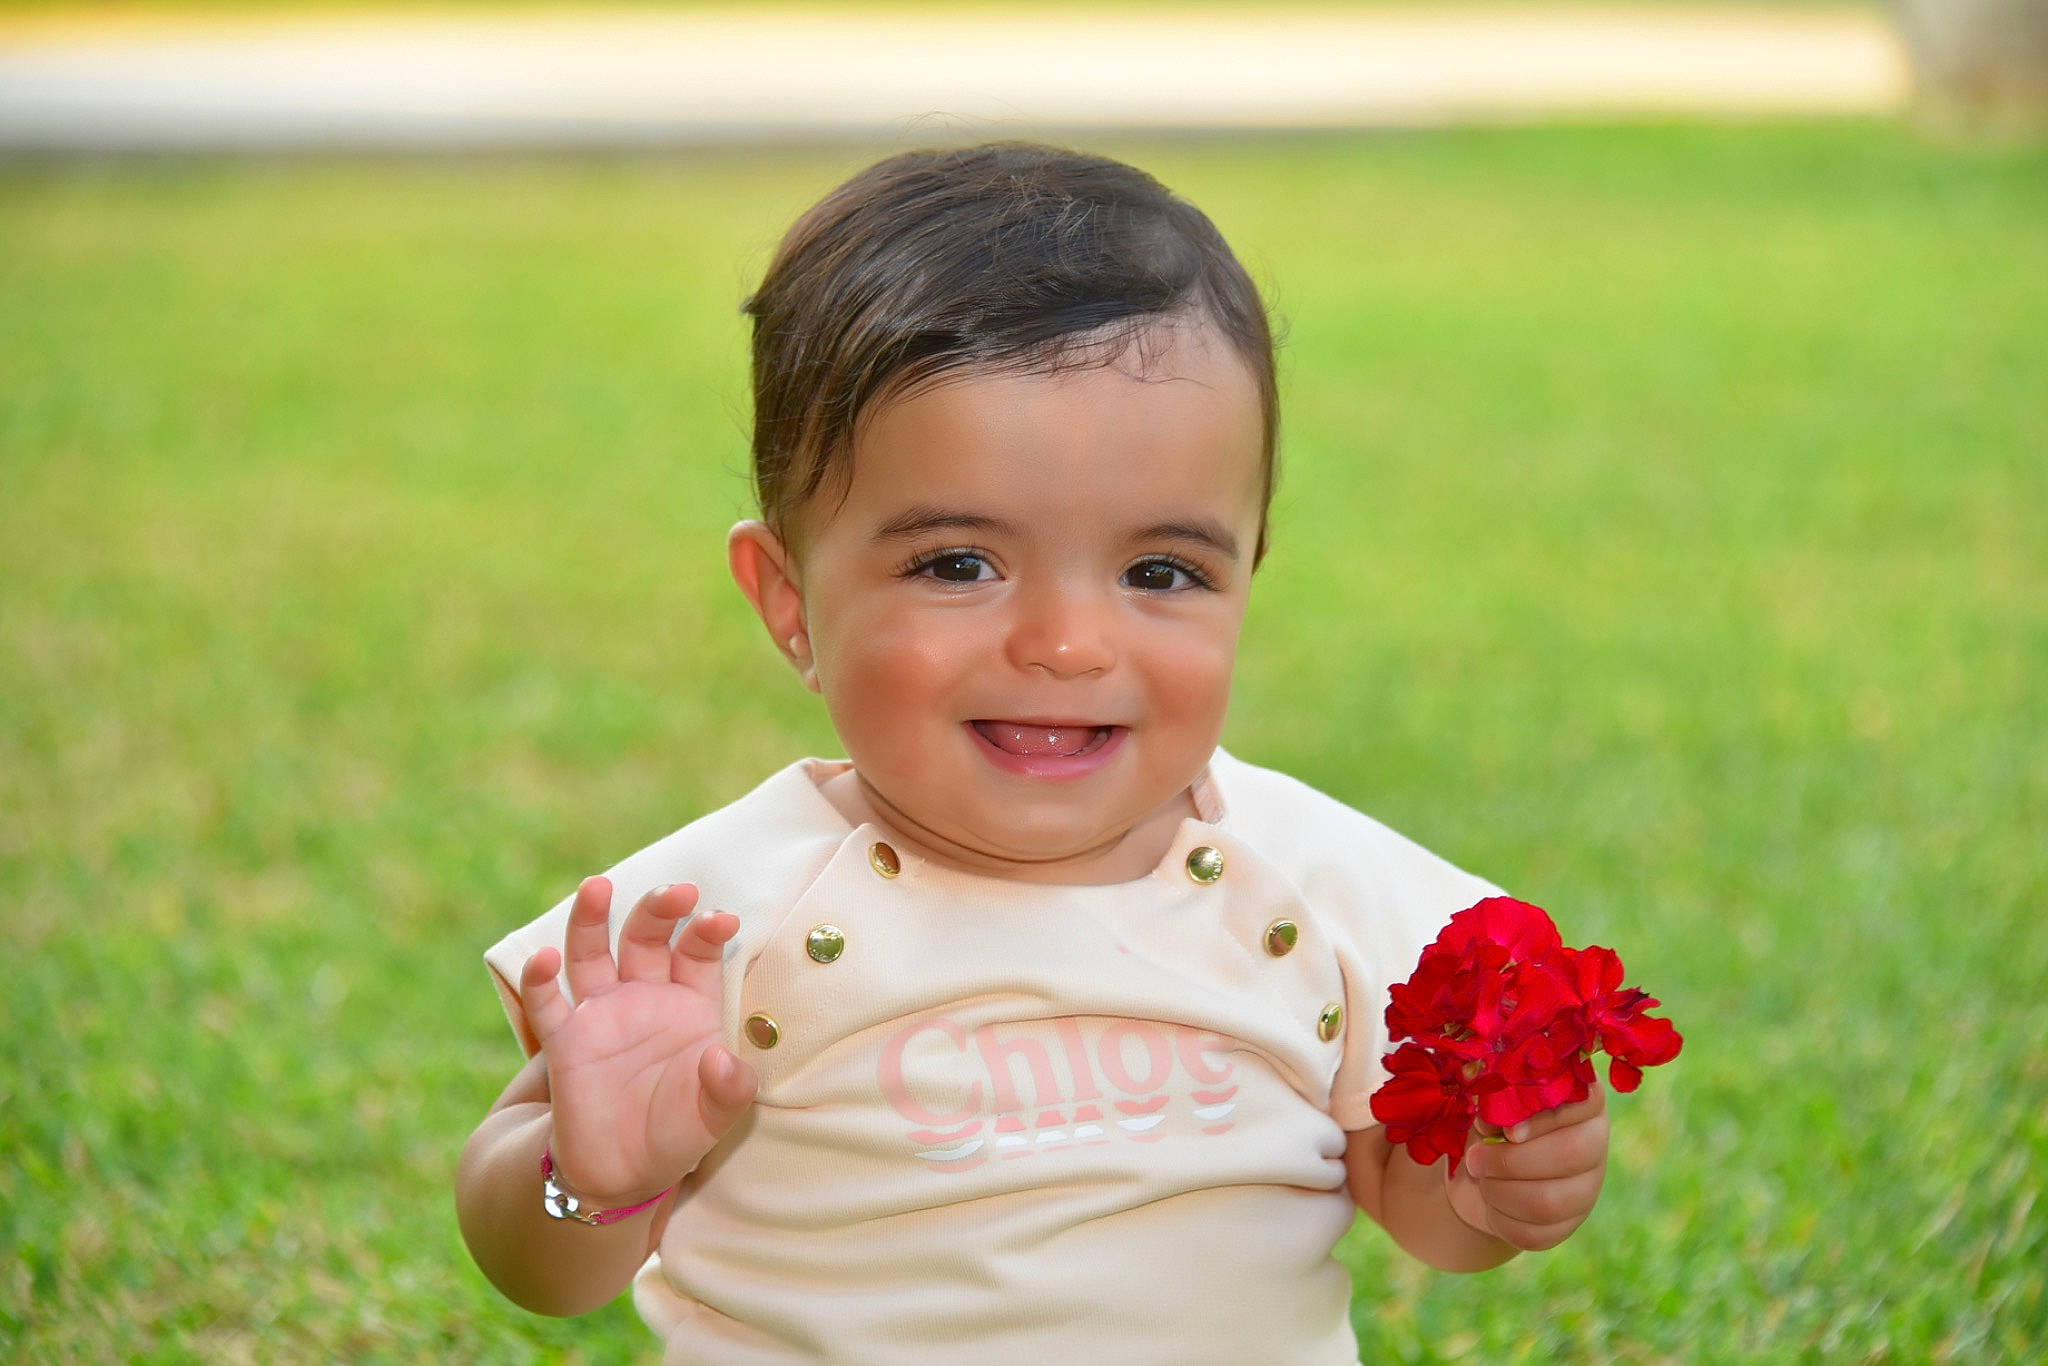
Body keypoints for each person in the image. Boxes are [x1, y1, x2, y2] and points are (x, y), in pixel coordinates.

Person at [456, 143, 1610, 1364]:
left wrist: (1491, 1191)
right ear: (790, 601)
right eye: (957, 563)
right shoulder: (706, 922)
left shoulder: (1313, 885)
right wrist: (588, 1176)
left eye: (1159, 572)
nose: (1065, 643)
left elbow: (1409, 1198)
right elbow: (541, 1267)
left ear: (1246, 579)